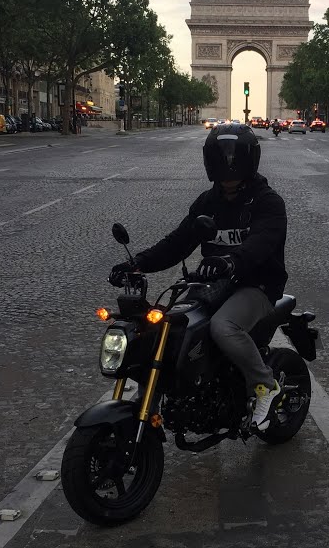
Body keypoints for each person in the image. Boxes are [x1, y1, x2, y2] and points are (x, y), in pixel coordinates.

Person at [108, 123, 289, 430]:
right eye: (220, 161)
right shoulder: (207, 202)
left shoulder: (268, 202)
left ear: (248, 161)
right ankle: (156, 402)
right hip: (211, 284)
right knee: (167, 325)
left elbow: (260, 244)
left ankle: (264, 385)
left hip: (256, 285)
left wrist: (231, 261)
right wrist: (138, 263)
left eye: (233, 161)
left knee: (224, 326)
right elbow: (178, 241)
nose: (228, 169)